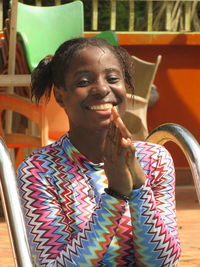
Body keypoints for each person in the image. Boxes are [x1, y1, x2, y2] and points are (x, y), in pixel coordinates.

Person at [18, 37, 181, 266]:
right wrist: (114, 196)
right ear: (60, 95)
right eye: (84, 82)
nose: (103, 89)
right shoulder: (39, 170)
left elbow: (162, 262)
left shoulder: (155, 159)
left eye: (113, 78)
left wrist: (138, 187)